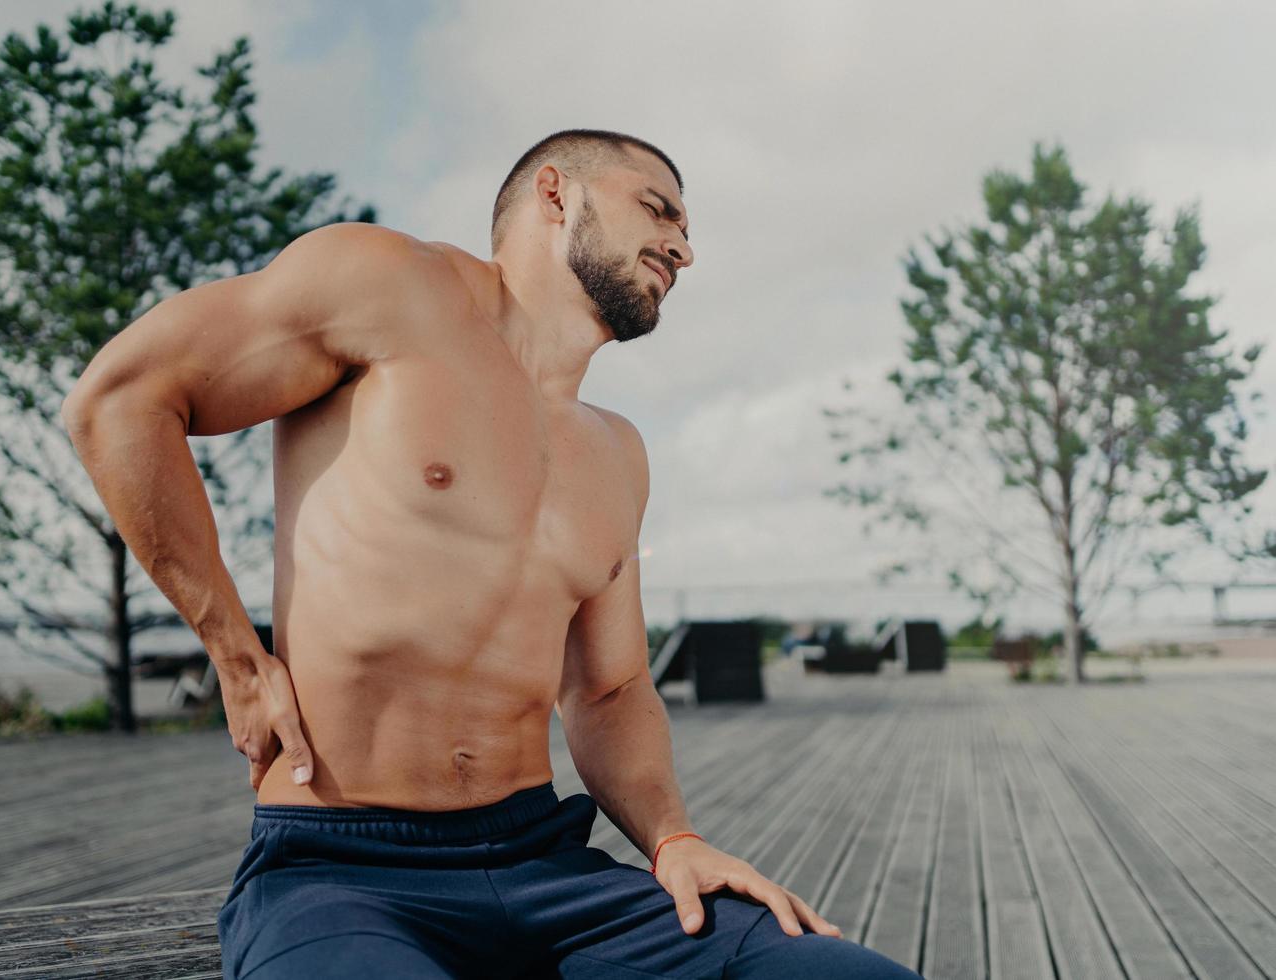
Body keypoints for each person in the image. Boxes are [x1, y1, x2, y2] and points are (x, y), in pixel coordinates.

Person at [62, 128, 921, 979]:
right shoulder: (389, 286)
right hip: (342, 869)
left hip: (547, 867)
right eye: (657, 210)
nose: (682, 249)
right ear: (556, 193)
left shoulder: (615, 451)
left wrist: (673, 839)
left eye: (688, 232)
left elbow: (610, 688)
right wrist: (234, 654)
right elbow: (121, 400)